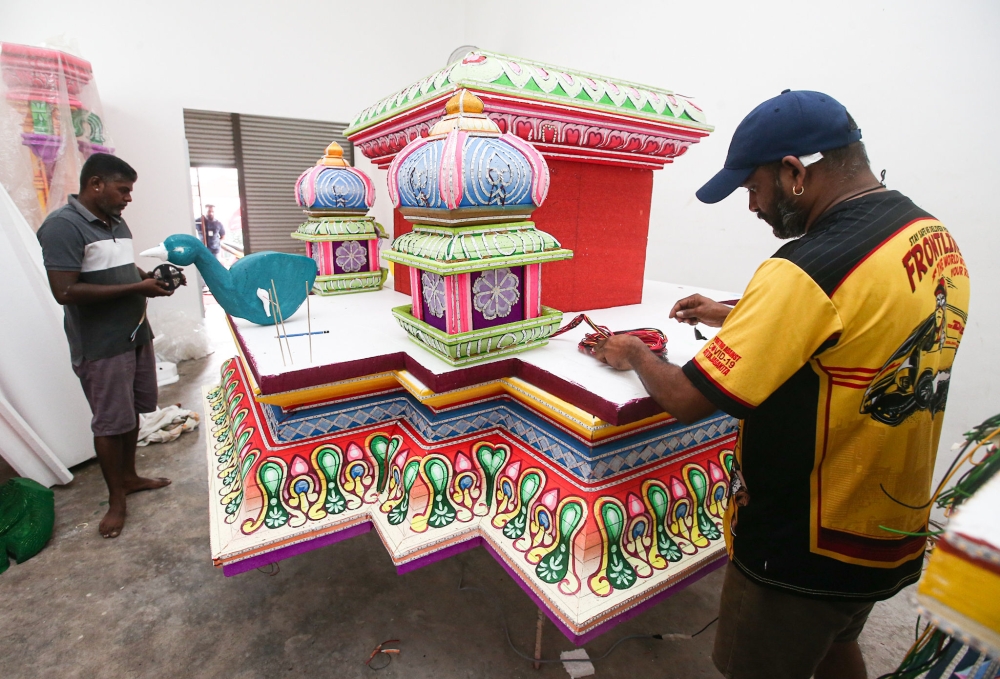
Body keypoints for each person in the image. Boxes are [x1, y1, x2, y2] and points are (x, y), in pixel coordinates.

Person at [593, 90, 970, 679]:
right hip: (886, 527)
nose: (751, 206)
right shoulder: (927, 235)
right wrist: (737, 313)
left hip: (802, 544)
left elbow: (690, 399)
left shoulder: (802, 268)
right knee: (837, 644)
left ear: (794, 172)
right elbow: (862, 321)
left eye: (752, 189)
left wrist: (635, 351)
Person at [37, 153, 178, 539]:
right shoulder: (62, 227)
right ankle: (116, 499)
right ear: (96, 183)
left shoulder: (115, 221)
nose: (128, 198)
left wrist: (147, 277)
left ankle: (129, 477)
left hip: (133, 331)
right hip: (101, 344)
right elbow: (65, 291)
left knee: (131, 411)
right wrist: (138, 287)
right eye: (123, 190)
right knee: (108, 421)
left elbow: (119, 268)